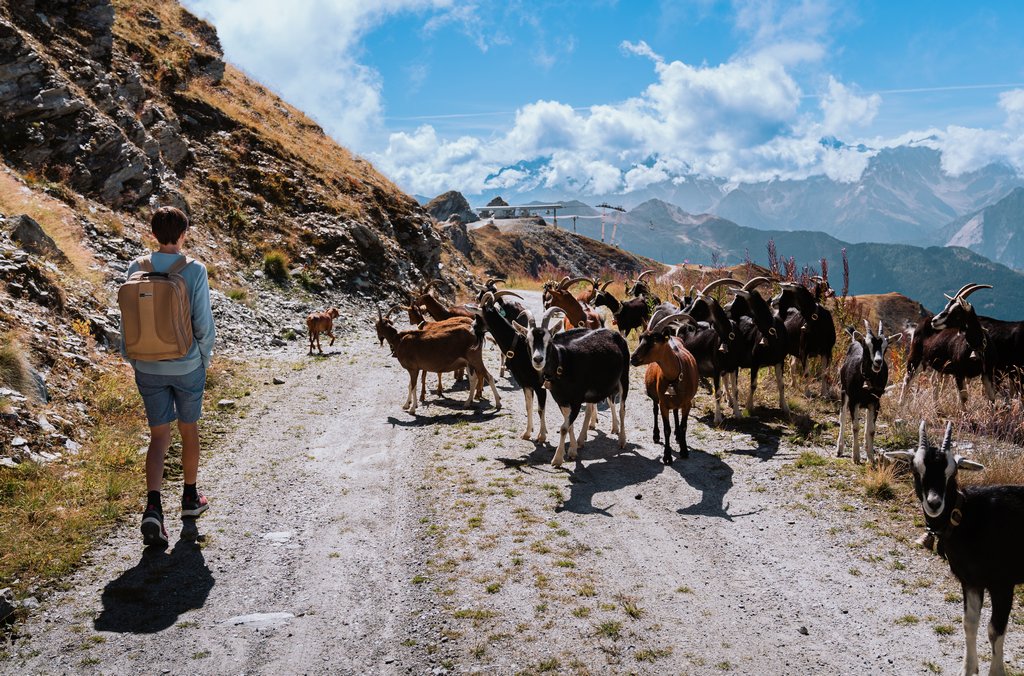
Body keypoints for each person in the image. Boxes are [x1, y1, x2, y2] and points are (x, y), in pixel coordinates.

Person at [121, 206, 216, 547]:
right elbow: (203, 324)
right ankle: (190, 499)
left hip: (147, 365)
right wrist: (201, 359)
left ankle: (153, 509)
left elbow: (128, 321)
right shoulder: (194, 271)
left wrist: (133, 358)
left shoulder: (136, 268)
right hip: (186, 363)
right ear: (184, 233)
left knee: (158, 436)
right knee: (188, 429)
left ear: (153, 233)